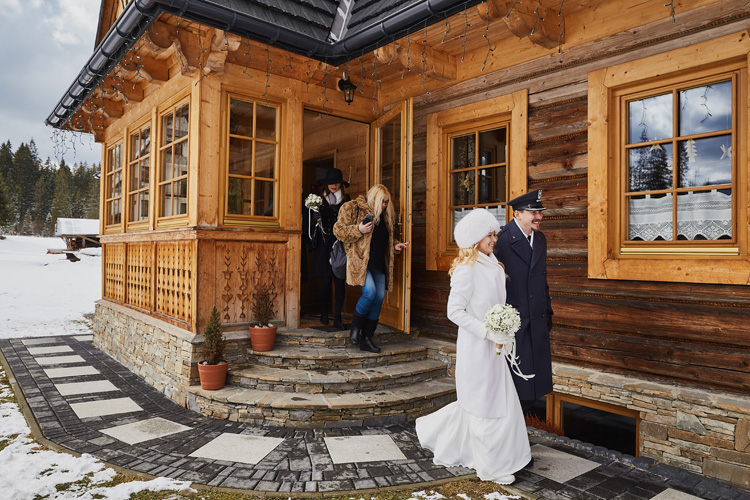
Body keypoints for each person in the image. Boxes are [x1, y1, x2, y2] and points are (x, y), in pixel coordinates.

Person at [416, 208, 531, 485]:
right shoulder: (466, 269)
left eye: (494, 234)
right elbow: (454, 311)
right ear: (475, 238)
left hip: (496, 349)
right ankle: (490, 466)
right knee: (483, 404)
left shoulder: (493, 263)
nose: (494, 239)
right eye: (489, 235)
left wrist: (504, 328)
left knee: (499, 400)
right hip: (477, 348)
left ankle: (510, 455)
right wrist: (488, 331)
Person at [493, 189, 553, 414]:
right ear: (517, 214)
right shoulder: (501, 239)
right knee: (515, 387)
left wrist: (548, 311)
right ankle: (508, 435)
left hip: (536, 320)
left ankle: (515, 434)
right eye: (533, 212)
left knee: (534, 388)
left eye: (540, 213)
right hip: (514, 325)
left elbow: (542, 279)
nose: (538, 217)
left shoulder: (539, 239)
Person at [333, 184, 409, 353]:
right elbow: (338, 231)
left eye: (387, 202)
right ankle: (355, 329)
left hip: (378, 264)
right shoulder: (353, 207)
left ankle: (367, 337)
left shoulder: (384, 217)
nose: (385, 205)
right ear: (374, 198)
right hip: (360, 263)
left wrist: (396, 245)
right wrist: (358, 229)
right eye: (383, 202)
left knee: (379, 297)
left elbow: (383, 240)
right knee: (370, 293)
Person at [305, 168, 350, 328]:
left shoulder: (346, 200)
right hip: (323, 244)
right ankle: (324, 313)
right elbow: (309, 221)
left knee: (339, 280)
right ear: (326, 184)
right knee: (325, 281)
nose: (334, 185)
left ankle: (337, 317)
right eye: (331, 182)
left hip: (339, 244)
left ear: (341, 184)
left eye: (337, 182)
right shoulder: (317, 199)